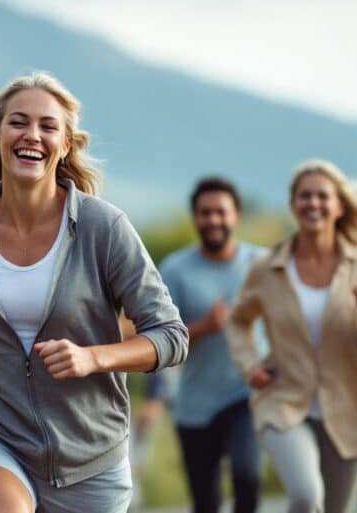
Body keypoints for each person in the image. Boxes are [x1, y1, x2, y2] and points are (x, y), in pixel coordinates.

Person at [0, 71, 189, 513]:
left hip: (89, 454)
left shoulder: (104, 228)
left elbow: (171, 336)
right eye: (19, 122)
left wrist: (93, 357)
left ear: (65, 145)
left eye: (48, 126)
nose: (32, 135)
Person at [227, 159, 357, 513]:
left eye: (323, 196)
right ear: (293, 205)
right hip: (285, 402)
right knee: (307, 498)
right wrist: (250, 366)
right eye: (305, 196)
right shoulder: (267, 268)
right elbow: (237, 321)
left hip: (353, 407)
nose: (313, 203)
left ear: (339, 206)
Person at [141, 176, 267, 513]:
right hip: (195, 404)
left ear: (236, 216)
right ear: (196, 217)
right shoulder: (176, 269)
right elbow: (160, 336)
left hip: (248, 397)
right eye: (205, 212)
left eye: (220, 212)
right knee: (205, 502)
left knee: (248, 476)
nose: (213, 220)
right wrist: (205, 326)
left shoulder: (262, 265)